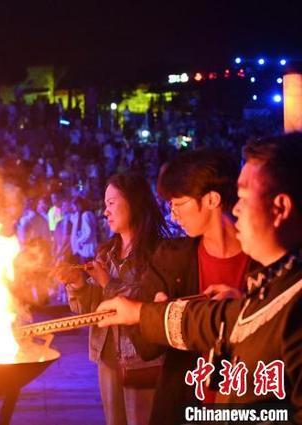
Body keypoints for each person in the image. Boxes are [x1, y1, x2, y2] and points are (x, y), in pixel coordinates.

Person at [97, 133, 302, 422]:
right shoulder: (173, 258)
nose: (238, 208)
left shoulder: (284, 288)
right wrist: (142, 312)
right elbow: (204, 322)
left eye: (243, 197)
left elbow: (228, 321)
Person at [134, 149, 255, 424]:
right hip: (186, 404)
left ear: (212, 199)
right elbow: (144, 345)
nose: (173, 215)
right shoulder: (170, 258)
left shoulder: (265, 259)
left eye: (179, 203)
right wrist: (161, 315)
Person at [60, 173, 170, 425]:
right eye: (105, 204)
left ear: (133, 202)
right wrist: (77, 284)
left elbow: (148, 303)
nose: (105, 212)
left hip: (142, 359)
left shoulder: (158, 252)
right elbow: (91, 310)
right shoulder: (106, 253)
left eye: (111, 203)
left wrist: (107, 282)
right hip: (107, 356)